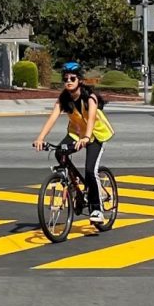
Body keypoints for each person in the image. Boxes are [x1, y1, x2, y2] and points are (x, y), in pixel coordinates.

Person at [34, 62, 114, 223]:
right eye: (65, 79)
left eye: (72, 78)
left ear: (80, 80)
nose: (68, 81)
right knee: (59, 152)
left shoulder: (90, 98)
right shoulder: (64, 98)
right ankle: (74, 183)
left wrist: (86, 138)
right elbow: (52, 118)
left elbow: (91, 119)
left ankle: (97, 209)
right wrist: (40, 138)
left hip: (96, 135)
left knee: (90, 170)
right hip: (76, 133)